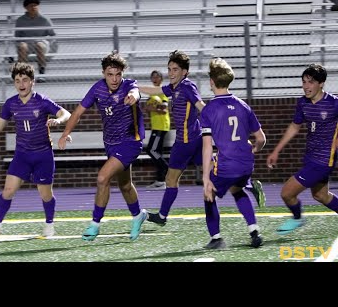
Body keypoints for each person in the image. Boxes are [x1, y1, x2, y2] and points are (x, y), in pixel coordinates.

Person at [58, 51, 148, 241]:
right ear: (103, 73)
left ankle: (95, 224)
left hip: (130, 141)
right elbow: (78, 112)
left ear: (123, 74)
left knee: (102, 178)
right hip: (110, 143)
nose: (114, 79)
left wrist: (134, 97)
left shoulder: (129, 85)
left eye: (118, 74)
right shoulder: (97, 89)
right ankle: (139, 215)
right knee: (124, 185)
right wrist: (65, 133)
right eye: (110, 74)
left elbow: (136, 92)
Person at [0, 62, 71, 238]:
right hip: (22, 155)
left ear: (32, 82)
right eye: (17, 80)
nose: (21, 84)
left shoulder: (42, 101)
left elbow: (66, 114)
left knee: (45, 195)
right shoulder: (11, 104)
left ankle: (49, 224)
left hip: (43, 155)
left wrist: (58, 121)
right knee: (8, 190)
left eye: (25, 80)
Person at [201, 57, 266, 249]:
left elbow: (207, 147)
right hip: (246, 162)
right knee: (237, 189)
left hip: (227, 165)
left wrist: (206, 178)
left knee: (209, 194)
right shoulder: (243, 106)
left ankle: (216, 238)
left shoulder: (208, 110)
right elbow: (261, 139)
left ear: (211, 81)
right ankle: (254, 231)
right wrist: (254, 150)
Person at [266, 63, 338, 235]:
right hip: (311, 157)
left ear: (321, 83)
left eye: (310, 82)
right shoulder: (303, 103)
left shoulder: (334, 104)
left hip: (323, 160)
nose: (306, 86)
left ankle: (297, 218)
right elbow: (294, 127)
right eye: (304, 82)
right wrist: (276, 150)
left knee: (286, 193)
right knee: (321, 195)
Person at [139, 50, 205, 226]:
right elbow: (156, 90)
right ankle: (247, 185)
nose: (171, 73)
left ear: (184, 72)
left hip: (186, 142)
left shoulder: (187, 87)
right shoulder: (174, 87)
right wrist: (133, 87)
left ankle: (162, 216)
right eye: (169, 69)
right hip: (190, 140)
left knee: (171, 179)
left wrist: (218, 125)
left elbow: (201, 107)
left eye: (175, 69)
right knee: (212, 174)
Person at [14, 0, 57, 75]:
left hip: (41, 42)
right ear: (26, 8)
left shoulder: (44, 19)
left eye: (35, 5)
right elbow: (17, 37)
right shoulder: (20, 20)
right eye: (31, 6)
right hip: (27, 43)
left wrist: (49, 44)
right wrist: (20, 44)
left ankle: (42, 71)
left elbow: (53, 35)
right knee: (22, 46)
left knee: (39, 45)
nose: (33, 7)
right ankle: (23, 73)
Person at [144, 70, 171, 190]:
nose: (155, 79)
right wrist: (150, 108)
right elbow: (147, 108)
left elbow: (164, 109)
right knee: (157, 152)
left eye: (157, 77)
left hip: (161, 126)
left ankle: (167, 168)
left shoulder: (162, 91)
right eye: (152, 77)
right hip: (156, 126)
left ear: (161, 79)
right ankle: (160, 181)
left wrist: (152, 108)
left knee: (151, 150)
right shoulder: (152, 93)